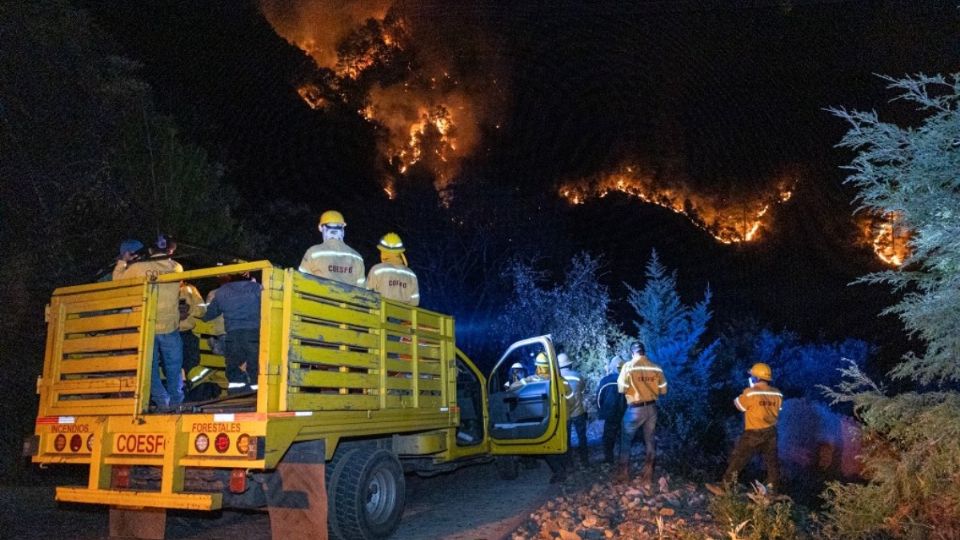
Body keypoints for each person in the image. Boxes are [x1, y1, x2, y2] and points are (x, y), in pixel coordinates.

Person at [113, 235, 184, 409]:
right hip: (169, 327)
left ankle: (162, 402)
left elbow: (117, 282)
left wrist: (123, 261)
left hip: (146, 327)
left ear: (150, 250)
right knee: (174, 367)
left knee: (149, 369)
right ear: (170, 251)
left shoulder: (137, 268)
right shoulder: (176, 267)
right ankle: (176, 403)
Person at [707, 363, 784, 495]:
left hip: (753, 432)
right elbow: (778, 409)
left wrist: (749, 392)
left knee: (738, 459)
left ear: (756, 378)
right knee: (772, 463)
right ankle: (772, 492)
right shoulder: (777, 394)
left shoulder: (750, 393)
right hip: (771, 432)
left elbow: (739, 405)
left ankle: (725, 487)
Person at [202, 273, 262, 394]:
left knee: (234, 366)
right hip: (253, 334)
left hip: (232, 334)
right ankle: (257, 395)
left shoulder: (222, 291)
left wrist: (202, 318)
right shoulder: (257, 288)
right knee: (255, 365)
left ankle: (236, 394)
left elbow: (210, 314)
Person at [616, 341, 667, 485]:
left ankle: (623, 474)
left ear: (632, 353)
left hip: (635, 409)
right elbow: (663, 390)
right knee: (650, 440)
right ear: (644, 352)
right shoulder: (656, 368)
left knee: (626, 441)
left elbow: (621, 389)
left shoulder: (628, 366)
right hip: (651, 409)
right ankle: (648, 475)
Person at [299, 210, 365, 287]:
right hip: (346, 299)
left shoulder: (313, 252)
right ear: (342, 230)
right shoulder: (357, 257)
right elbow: (362, 289)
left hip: (319, 298)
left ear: (321, 228)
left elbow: (301, 281)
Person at [366, 232, 420, 306]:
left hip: (380, 314)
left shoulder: (377, 270)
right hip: (404, 315)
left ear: (384, 252)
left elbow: (367, 295)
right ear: (399, 252)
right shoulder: (411, 275)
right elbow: (415, 302)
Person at [559, 352, 589, 467]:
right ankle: (585, 461)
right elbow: (582, 391)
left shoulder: (556, 378)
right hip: (578, 411)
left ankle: (569, 464)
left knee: (566, 439)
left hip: (564, 414)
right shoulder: (578, 375)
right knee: (582, 436)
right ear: (569, 364)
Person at [597, 354, 626, 464]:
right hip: (624, 415)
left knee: (608, 438)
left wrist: (601, 411)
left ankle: (609, 460)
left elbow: (599, 397)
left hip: (610, 415)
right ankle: (624, 460)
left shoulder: (605, 380)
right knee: (624, 438)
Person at [178, 282, 205, 382]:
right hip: (169, 333)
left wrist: (188, 313)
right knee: (172, 365)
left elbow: (201, 310)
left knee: (191, 364)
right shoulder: (164, 288)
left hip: (187, 333)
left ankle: (190, 389)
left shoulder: (190, 289)